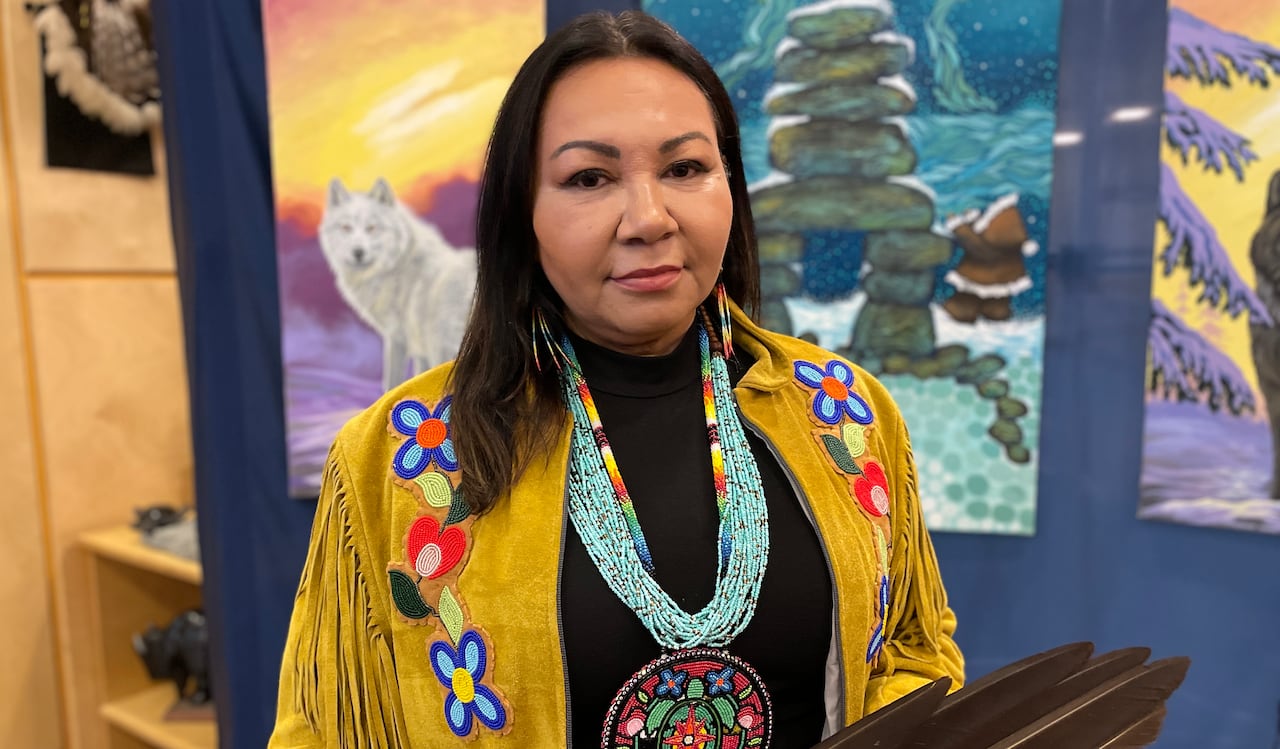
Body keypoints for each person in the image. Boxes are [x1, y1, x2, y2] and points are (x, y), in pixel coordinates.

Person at [269, 10, 963, 749]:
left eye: (685, 168)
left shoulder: (843, 410)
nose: (649, 217)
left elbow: (913, 651)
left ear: (731, 184)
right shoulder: (397, 458)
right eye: (589, 177)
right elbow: (329, 725)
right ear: (521, 213)